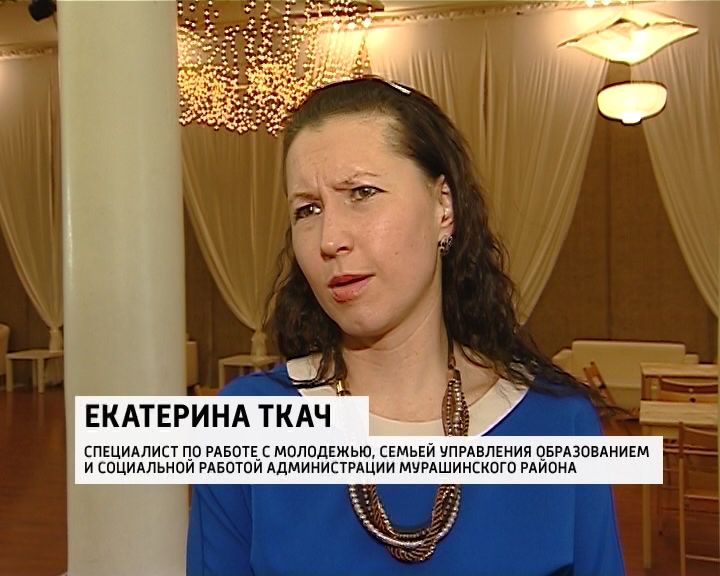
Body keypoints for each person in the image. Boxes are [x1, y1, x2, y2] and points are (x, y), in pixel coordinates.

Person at [186, 77, 624, 576]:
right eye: (308, 209)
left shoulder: (558, 423)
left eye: (362, 192)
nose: (329, 238)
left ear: (443, 207)